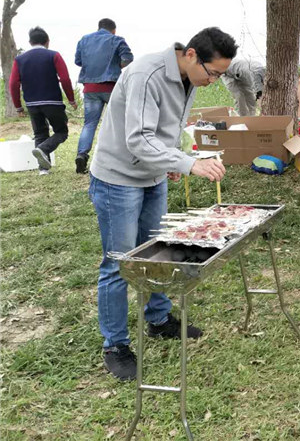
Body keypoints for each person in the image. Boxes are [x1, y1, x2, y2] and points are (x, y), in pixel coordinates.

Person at [89, 27, 237, 381]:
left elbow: (163, 131)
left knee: (159, 253)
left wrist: (170, 159)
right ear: (191, 54)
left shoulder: (189, 78)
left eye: (220, 75)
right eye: (212, 73)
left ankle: (158, 319)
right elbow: (139, 139)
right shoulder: (146, 73)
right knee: (120, 263)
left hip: (153, 178)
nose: (213, 81)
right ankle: (115, 345)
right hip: (118, 179)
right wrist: (188, 163)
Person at [9, 27, 77, 174]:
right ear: (47, 41)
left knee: (40, 133)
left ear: (30, 42)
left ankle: (43, 170)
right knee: (61, 132)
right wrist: (71, 99)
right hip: (53, 102)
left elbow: (13, 83)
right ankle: (43, 149)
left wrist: (18, 107)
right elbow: (65, 79)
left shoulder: (20, 59)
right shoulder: (54, 55)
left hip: (32, 104)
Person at [74, 18, 134, 174]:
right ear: (113, 30)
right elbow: (128, 58)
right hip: (111, 87)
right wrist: (117, 65)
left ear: (99, 27)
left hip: (90, 88)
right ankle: (123, 157)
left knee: (89, 124)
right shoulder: (116, 39)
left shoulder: (84, 40)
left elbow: (78, 61)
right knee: (120, 122)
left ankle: (82, 155)